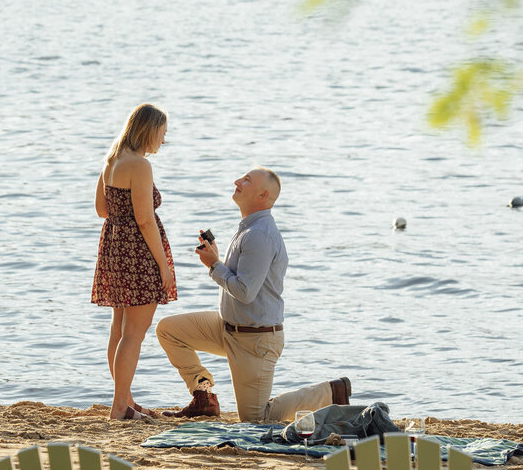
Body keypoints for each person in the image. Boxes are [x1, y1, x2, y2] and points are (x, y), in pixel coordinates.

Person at [156, 167, 351, 422]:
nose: (237, 181)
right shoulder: (249, 227)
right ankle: (203, 396)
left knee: (255, 419)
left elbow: (245, 292)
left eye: (246, 180)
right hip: (227, 328)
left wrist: (214, 265)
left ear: (262, 195)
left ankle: (331, 392)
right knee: (169, 330)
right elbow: (240, 282)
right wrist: (217, 259)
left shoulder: (259, 234)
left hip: (255, 341)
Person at [92, 103, 177, 420]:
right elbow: (144, 220)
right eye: (162, 133)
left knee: (119, 329)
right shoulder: (140, 166)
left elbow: (102, 210)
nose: (163, 141)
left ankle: (124, 399)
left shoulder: (112, 159)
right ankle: (119, 407)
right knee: (134, 334)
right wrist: (163, 265)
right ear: (149, 130)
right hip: (138, 252)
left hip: (114, 249)